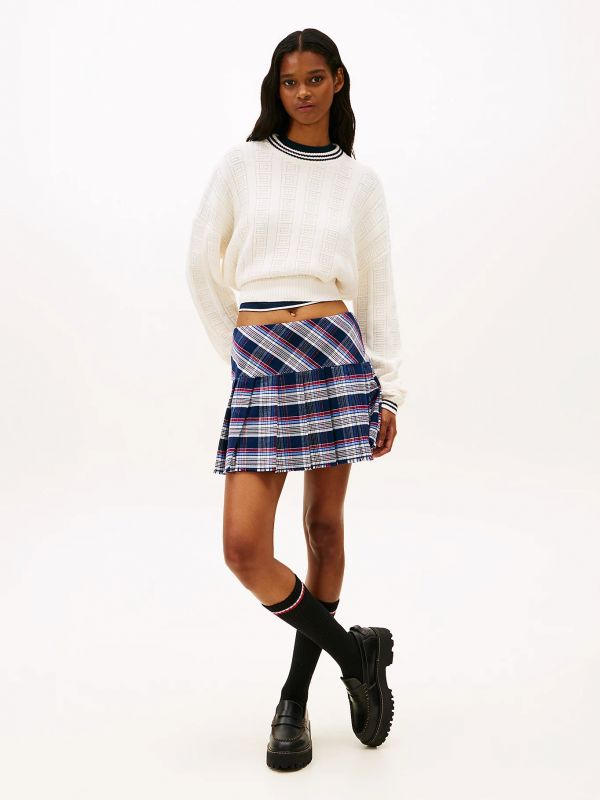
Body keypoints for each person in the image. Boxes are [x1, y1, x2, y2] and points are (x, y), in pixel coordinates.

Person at [185, 28, 407, 771]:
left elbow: (379, 290)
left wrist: (390, 391)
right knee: (244, 549)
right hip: (263, 357)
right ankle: (354, 653)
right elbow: (200, 263)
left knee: (323, 529)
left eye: (315, 78)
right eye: (290, 81)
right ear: (275, 88)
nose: (303, 92)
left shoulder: (359, 182)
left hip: (335, 354)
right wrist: (240, 354)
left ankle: (293, 698)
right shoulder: (242, 165)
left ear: (338, 81)